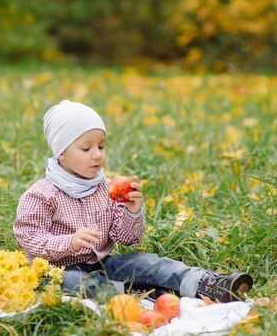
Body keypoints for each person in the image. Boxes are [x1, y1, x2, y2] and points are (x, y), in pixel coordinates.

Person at [13, 100, 253, 302]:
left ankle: (210, 284)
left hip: (102, 265)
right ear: (61, 152)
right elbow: (28, 238)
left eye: (101, 146)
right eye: (86, 148)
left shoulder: (107, 187)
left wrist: (132, 211)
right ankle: (130, 298)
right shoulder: (42, 194)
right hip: (56, 271)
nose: (97, 154)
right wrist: (70, 242)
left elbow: (126, 238)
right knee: (75, 283)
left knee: (149, 263)